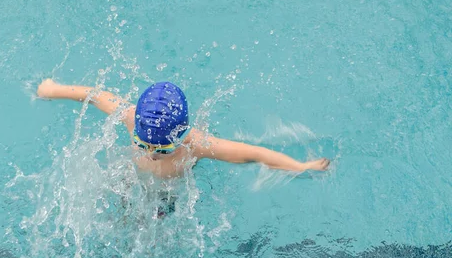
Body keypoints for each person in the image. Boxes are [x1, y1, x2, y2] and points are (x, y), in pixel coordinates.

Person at [37, 80, 330, 179]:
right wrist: (53, 89)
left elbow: (253, 154)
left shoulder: (198, 144)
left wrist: (300, 166)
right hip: (130, 180)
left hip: (168, 195)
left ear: (180, 136)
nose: (152, 155)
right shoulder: (129, 116)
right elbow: (93, 94)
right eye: (143, 144)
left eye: (163, 149)